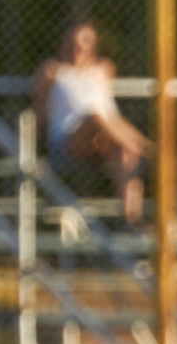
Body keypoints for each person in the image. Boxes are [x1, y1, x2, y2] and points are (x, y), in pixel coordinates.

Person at [32, 22, 149, 225]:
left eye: (84, 43)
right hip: (68, 139)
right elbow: (39, 113)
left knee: (125, 151)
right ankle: (149, 151)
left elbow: (109, 109)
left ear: (93, 47)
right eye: (72, 44)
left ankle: (133, 220)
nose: (78, 49)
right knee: (95, 116)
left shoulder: (102, 70)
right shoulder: (52, 71)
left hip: (104, 137)